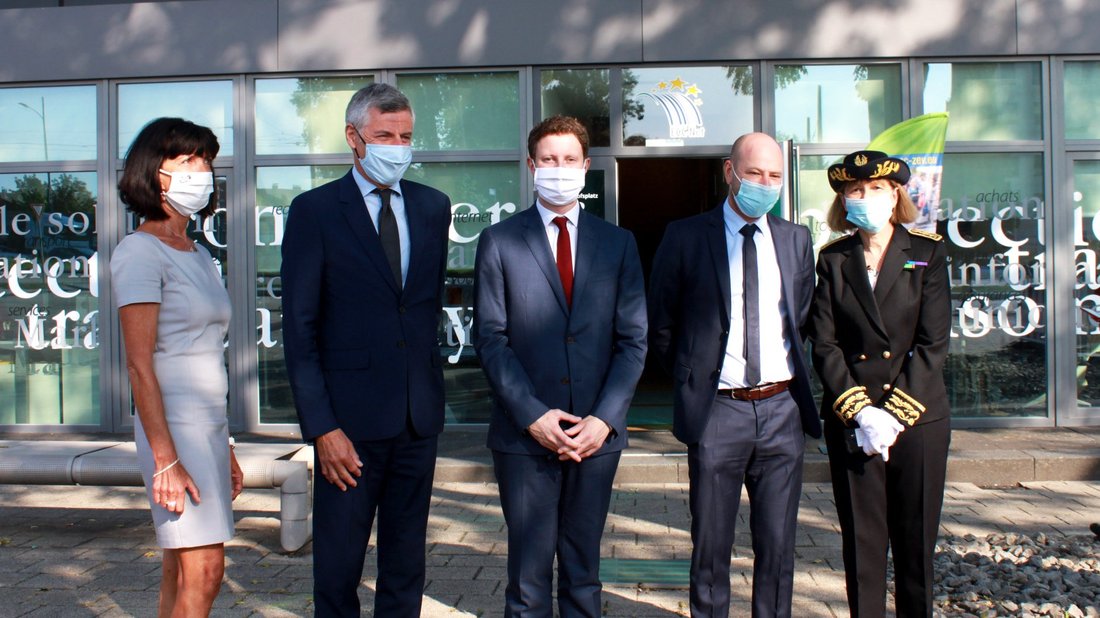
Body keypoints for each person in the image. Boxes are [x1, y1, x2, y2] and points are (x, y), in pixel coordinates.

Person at [280, 83, 451, 617]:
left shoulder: (432, 207)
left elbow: (419, 309)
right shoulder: (315, 211)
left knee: (406, 569)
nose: (397, 146)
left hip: (417, 420)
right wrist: (322, 428)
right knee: (337, 568)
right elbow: (300, 330)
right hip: (347, 430)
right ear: (354, 138)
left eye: (406, 136)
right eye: (384, 135)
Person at [473, 115, 647, 617]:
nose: (559, 169)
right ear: (531, 166)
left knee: (583, 575)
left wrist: (605, 419)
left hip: (595, 437)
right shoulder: (500, 241)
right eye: (548, 160)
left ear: (587, 167)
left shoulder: (618, 244)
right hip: (524, 437)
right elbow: (491, 338)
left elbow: (633, 341)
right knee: (527, 582)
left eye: (569, 160)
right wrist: (533, 415)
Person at [648, 132, 820, 618]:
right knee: (710, 548)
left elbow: (802, 319)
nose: (764, 184)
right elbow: (661, 324)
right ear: (730, 172)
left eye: (774, 176)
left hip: (782, 410)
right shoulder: (685, 236)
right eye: (754, 174)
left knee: (779, 549)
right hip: (719, 412)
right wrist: (691, 379)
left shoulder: (795, 240)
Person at [809, 150, 951, 617]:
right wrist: (863, 412)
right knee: (863, 548)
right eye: (855, 190)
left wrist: (893, 414)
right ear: (843, 200)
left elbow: (933, 344)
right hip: (855, 420)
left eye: (876, 189)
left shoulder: (927, 252)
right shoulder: (833, 260)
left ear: (895, 196)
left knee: (915, 548)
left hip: (918, 420)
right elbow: (825, 344)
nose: (865, 197)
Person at [111, 117, 244, 617]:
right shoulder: (139, 252)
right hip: (173, 432)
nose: (201, 170)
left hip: (207, 428)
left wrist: (227, 444)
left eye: (205, 160)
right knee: (205, 571)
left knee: (180, 567)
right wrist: (165, 458)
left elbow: (207, 354)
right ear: (154, 171)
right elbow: (139, 365)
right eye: (186, 160)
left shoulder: (200, 254)